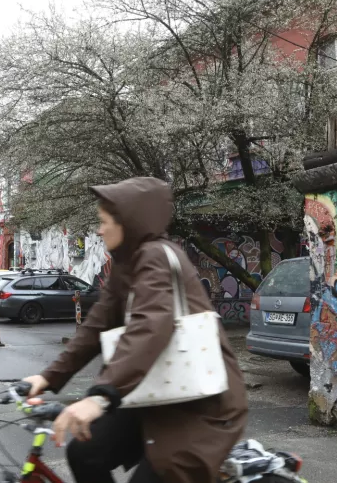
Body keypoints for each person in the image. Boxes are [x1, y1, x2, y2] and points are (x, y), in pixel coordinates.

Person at [21, 177, 248, 483]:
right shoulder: (125, 266)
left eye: (104, 222)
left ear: (128, 223)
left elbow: (149, 326)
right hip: (155, 390)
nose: (99, 230)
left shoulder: (156, 256)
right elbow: (95, 327)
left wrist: (100, 397)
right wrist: (48, 377)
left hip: (199, 404)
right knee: (85, 452)